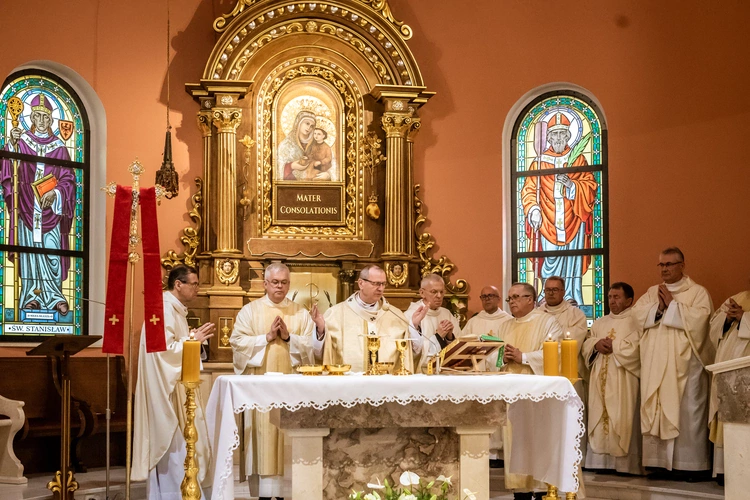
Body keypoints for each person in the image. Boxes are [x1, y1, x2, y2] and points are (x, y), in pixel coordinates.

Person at [230, 263, 314, 500]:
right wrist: (265, 338)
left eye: (284, 282)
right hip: (260, 390)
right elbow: (237, 343)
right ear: (265, 283)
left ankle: (290, 491)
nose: (280, 286)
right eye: (275, 282)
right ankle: (265, 495)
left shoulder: (300, 312)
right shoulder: (250, 311)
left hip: (291, 389)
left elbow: (312, 349)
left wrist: (288, 338)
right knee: (263, 437)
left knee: (288, 437)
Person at [132, 265, 216, 499]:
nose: (198, 288)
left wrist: (191, 340)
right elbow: (162, 353)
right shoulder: (164, 309)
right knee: (176, 447)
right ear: (178, 284)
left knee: (188, 445)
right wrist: (192, 341)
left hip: (179, 386)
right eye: (194, 284)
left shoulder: (175, 309)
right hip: (168, 391)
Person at [633, 247, 714, 478]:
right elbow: (637, 316)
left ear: (682, 265)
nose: (665, 269)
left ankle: (690, 466)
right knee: (656, 409)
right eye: (661, 265)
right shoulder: (652, 293)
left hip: (686, 365)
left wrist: (673, 305)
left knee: (687, 412)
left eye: (669, 264)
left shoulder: (698, 292)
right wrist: (659, 307)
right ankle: (659, 464)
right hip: (655, 362)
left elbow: (702, 320)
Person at [0, 93, 76, 314]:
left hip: (50, 211)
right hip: (26, 208)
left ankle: (54, 296)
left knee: (52, 253)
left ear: (50, 120)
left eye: (45, 117)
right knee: (30, 252)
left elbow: (69, 179)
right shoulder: (22, 142)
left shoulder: (60, 148)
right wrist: (12, 144)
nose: (41, 121)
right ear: (31, 118)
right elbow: (9, 170)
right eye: (37, 116)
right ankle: (30, 296)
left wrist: (57, 194)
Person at [488, 282, 564, 500]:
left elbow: (555, 352)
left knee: (538, 442)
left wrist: (524, 357)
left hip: (537, 392)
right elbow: (495, 356)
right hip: (512, 392)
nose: (511, 302)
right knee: (516, 444)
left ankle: (541, 491)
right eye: (510, 298)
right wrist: (500, 356)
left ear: (530, 299)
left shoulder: (548, 322)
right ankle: (520, 492)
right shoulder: (505, 326)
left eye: (516, 297)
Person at [521, 112, 598, 306]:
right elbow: (529, 190)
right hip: (547, 220)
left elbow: (590, 185)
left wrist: (572, 185)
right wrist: (533, 210)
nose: (558, 138)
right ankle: (544, 295)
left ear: (568, 136)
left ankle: (571, 294)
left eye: (562, 134)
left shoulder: (577, 160)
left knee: (571, 259)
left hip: (573, 216)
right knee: (549, 260)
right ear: (548, 137)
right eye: (554, 134)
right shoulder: (538, 163)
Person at [311, 265, 426, 373]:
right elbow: (320, 353)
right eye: (376, 284)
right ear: (361, 283)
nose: (381, 289)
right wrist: (320, 330)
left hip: (386, 386)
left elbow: (411, 353)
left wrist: (414, 327)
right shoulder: (336, 314)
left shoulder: (395, 315)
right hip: (349, 386)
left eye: (383, 284)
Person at [582, 282, 643, 475]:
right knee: (599, 414)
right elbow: (587, 342)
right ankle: (601, 463)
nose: (612, 301)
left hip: (623, 376)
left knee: (622, 415)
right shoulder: (600, 322)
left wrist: (614, 345)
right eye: (609, 297)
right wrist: (596, 344)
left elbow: (639, 347)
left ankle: (624, 465)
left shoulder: (636, 320)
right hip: (601, 373)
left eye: (617, 297)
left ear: (629, 300)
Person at [539, 276, 590, 460]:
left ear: (563, 291)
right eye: (547, 290)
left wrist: (549, 346)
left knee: (570, 418)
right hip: (542, 373)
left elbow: (571, 343)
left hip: (568, 373)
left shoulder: (576, 315)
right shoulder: (538, 313)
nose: (551, 293)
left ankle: (573, 457)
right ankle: (546, 457)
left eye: (555, 290)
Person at [708, 287, 750, 480]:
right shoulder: (737, 297)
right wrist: (727, 320)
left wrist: (744, 318)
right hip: (727, 370)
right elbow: (713, 328)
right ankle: (725, 471)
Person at [405, 274, 461, 365]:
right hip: (421, 374)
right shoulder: (410, 316)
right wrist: (438, 337)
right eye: (434, 292)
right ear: (422, 293)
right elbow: (411, 352)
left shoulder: (447, 314)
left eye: (442, 292)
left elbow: (459, 348)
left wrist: (449, 338)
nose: (439, 296)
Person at [277, 111, 316, 180]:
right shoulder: (286, 144)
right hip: (292, 185)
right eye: (307, 123)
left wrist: (326, 174)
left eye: (312, 126)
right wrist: (291, 166)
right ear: (299, 123)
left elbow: (329, 165)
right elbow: (278, 167)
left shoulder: (316, 144)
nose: (309, 127)